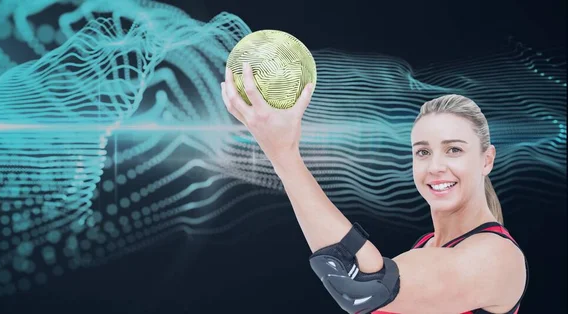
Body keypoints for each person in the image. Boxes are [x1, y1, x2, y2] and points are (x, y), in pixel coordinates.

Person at [220, 63, 528, 314]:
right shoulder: (425, 247)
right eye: (422, 152)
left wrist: (283, 154)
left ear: (486, 160)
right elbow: (354, 273)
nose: (435, 166)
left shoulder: (497, 257)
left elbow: (364, 285)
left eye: (454, 150)